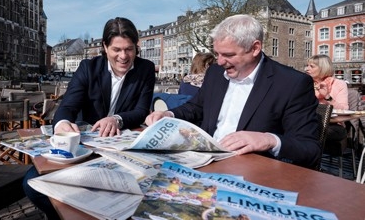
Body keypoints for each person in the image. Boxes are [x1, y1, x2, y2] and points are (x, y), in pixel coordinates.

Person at [145, 14, 320, 169]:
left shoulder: (292, 83)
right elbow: (196, 107)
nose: (220, 61)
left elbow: (309, 149)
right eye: (217, 53)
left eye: (228, 55)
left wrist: (269, 140)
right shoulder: (215, 73)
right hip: (204, 163)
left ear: (255, 48)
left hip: (253, 171)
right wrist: (169, 115)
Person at [23, 17, 156, 218]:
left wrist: (117, 119)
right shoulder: (88, 67)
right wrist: (63, 123)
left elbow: (141, 110)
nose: (124, 56)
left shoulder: (145, 69)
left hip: (123, 149)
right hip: (88, 149)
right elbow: (68, 105)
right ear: (105, 46)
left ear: (136, 47)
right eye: (116, 50)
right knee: (32, 184)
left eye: (129, 49)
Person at [305, 54, 348, 142]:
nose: (307, 69)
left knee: (311, 131)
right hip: (308, 122)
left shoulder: (339, 84)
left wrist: (327, 96)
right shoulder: (305, 83)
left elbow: (344, 110)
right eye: (307, 65)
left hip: (333, 125)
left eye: (311, 66)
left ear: (322, 68)